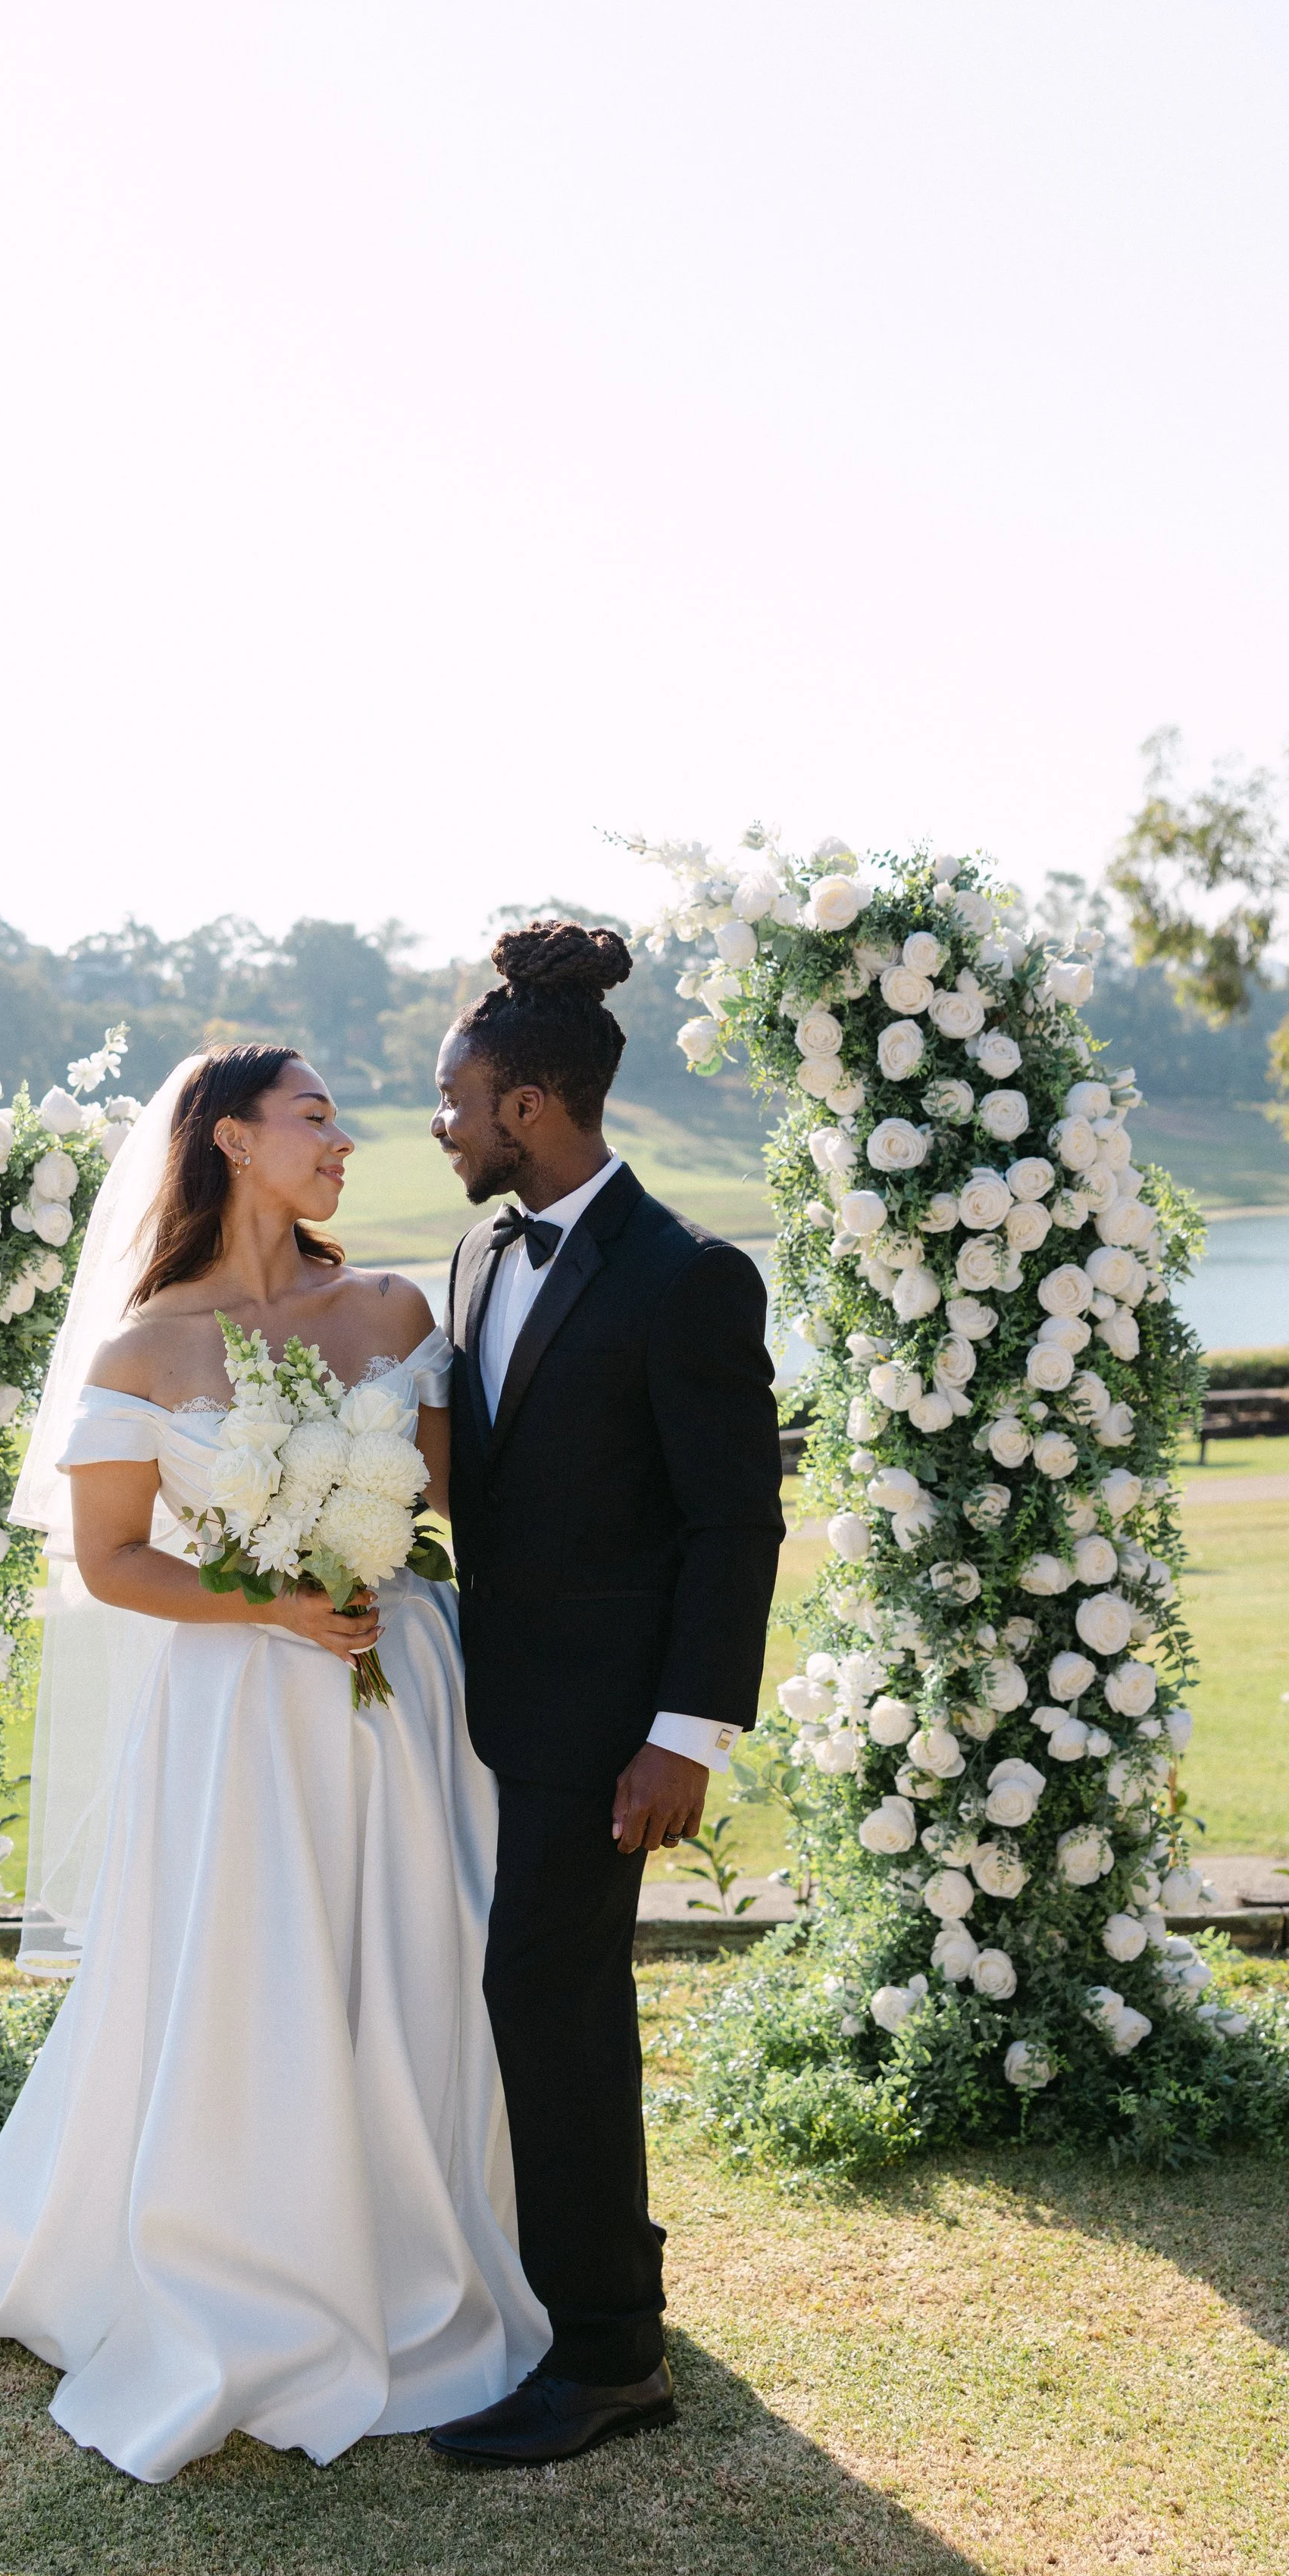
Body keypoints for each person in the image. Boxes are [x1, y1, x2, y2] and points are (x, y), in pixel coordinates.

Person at [0, 1044, 548, 2482]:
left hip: (404, 1698)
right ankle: (252, 2251)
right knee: (253, 1976)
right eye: (316, 1117)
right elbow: (107, 1565)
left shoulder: (396, 1307)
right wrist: (271, 1602)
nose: (346, 1140)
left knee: (422, 1957)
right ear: (229, 1139)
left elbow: (480, 1509)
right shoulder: (145, 1349)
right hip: (242, 1714)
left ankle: (441, 2242)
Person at [424, 922, 784, 2468]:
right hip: (488, 1708)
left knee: (550, 2003)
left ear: (532, 1104)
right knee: (541, 2002)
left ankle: (607, 2356)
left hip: (613, 1733)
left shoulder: (686, 1278)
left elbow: (732, 1521)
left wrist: (683, 1734)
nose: (436, 1122)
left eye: (455, 1097)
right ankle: (571, 2302)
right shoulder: (472, 1252)